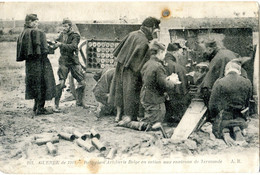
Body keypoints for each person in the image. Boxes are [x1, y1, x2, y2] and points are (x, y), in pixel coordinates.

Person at [108, 17, 161, 123]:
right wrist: (156, 39)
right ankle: (129, 116)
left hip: (121, 67)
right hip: (132, 70)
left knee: (119, 90)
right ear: (151, 28)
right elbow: (143, 65)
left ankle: (118, 115)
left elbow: (118, 52)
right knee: (130, 91)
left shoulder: (132, 34)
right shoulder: (144, 41)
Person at [16, 14, 56, 115]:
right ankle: (40, 108)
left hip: (30, 64)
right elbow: (43, 50)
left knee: (34, 84)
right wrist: (53, 46)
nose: (37, 23)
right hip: (40, 62)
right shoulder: (37, 32)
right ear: (30, 22)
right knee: (43, 83)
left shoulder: (23, 33)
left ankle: (35, 106)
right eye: (35, 22)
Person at [209, 60, 252, 146]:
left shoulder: (219, 82)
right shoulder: (247, 82)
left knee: (221, 122)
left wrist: (213, 117)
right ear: (239, 71)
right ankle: (237, 129)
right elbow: (247, 104)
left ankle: (225, 131)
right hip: (240, 118)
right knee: (237, 120)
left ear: (227, 70)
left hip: (224, 117)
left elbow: (212, 105)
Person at [139, 40, 177, 129]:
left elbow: (150, 79)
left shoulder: (147, 64)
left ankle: (130, 124)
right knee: (152, 126)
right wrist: (172, 81)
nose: (164, 56)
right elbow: (165, 85)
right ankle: (129, 124)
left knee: (150, 120)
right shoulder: (158, 66)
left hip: (146, 96)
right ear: (160, 52)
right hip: (155, 99)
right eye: (164, 53)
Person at [53, 19, 86, 111]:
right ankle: (56, 105)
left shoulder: (75, 36)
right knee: (61, 83)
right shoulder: (61, 35)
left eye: (66, 26)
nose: (64, 28)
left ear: (70, 27)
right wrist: (53, 45)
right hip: (63, 61)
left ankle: (79, 101)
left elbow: (73, 47)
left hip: (73, 61)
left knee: (82, 82)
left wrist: (60, 44)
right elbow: (56, 44)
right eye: (63, 26)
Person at [199, 39, 239, 106]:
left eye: (204, 51)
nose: (203, 53)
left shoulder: (217, 58)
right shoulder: (227, 52)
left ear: (209, 49)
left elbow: (208, 82)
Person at [164, 43, 190, 123]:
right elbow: (183, 90)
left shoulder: (161, 62)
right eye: (180, 53)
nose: (181, 55)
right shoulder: (177, 67)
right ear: (174, 53)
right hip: (175, 102)